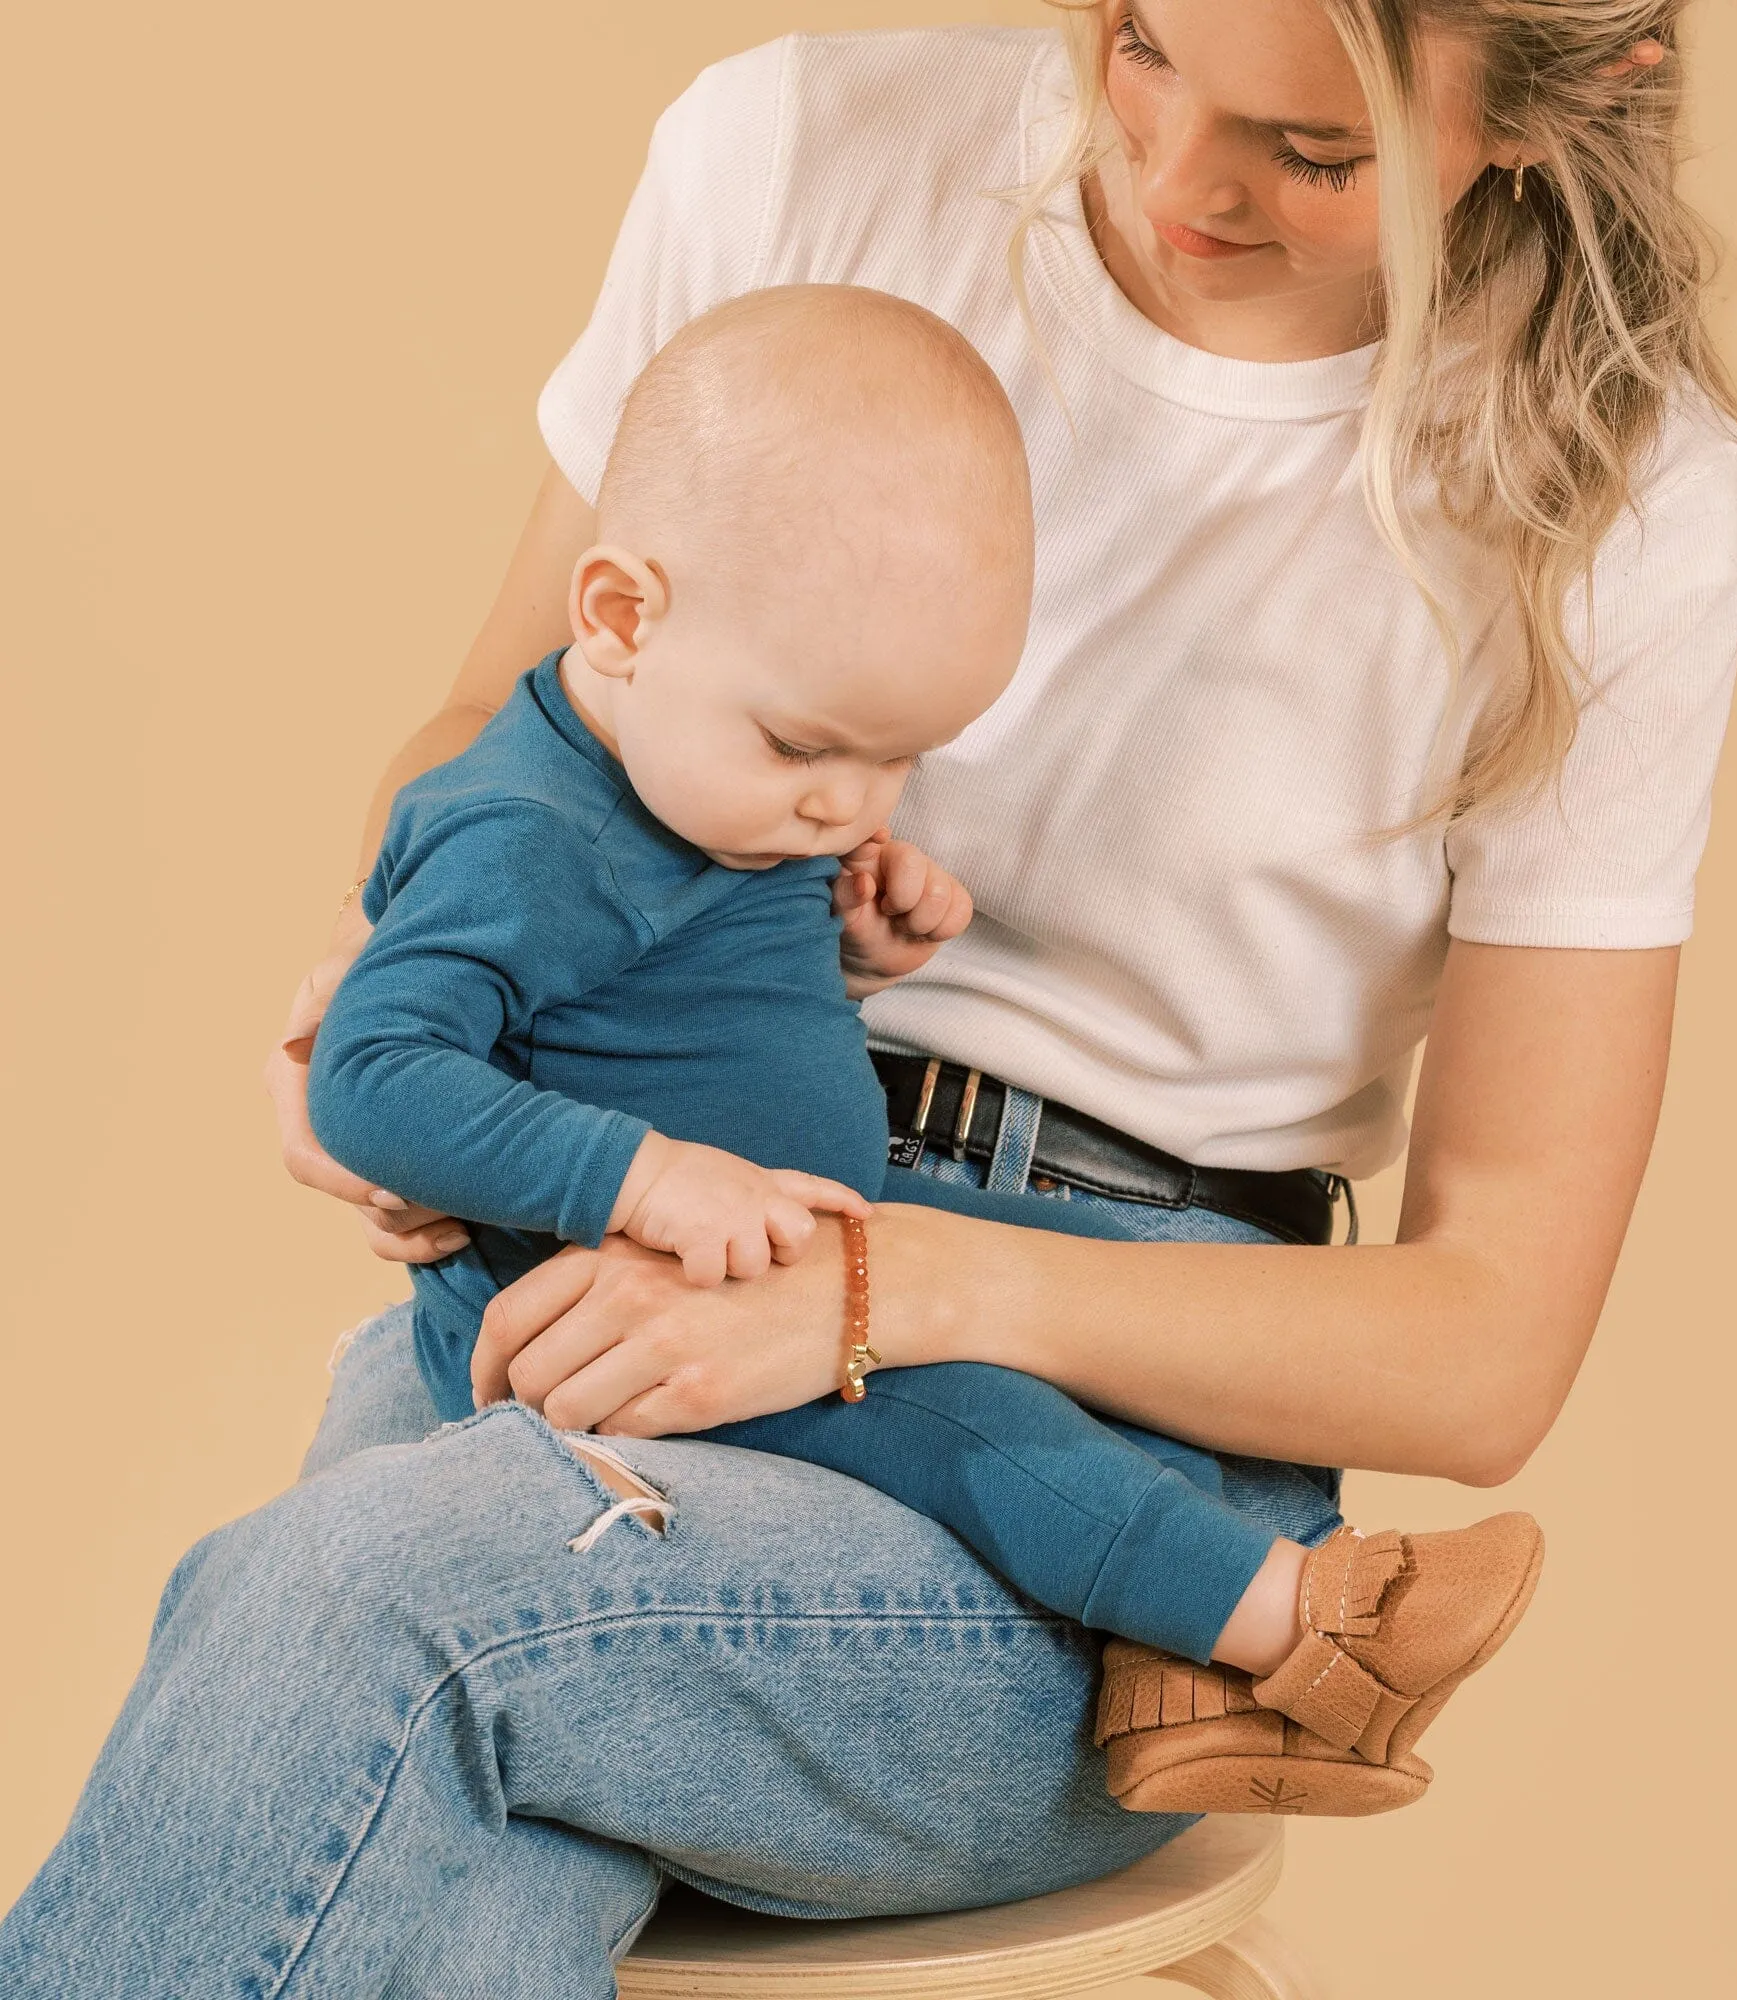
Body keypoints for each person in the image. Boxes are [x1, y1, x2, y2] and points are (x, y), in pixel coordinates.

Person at [0, 4, 1737, 1992]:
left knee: (373, 1612)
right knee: (389, 1743)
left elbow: (1485, 1348)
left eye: (1313, 152)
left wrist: (886, 1286)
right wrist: (398, 977)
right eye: (1134, 43)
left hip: (1094, 1462)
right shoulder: (799, 151)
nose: (1177, 175)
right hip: (640, 1225)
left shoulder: (1620, 500)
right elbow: (507, 728)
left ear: (1562, 110)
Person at [310, 279, 1545, 1824]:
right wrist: (645, 1179)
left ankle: (1187, 1680)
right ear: (619, 617)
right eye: (809, 748)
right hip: (621, 1319)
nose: (850, 802)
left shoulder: (705, 774)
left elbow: (653, 1010)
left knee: (1111, 1301)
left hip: (817, 1221)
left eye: (900, 758)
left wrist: (848, 958)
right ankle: (1308, 1644)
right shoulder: (524, 835)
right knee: (983, 1423)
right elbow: (373, 1075)